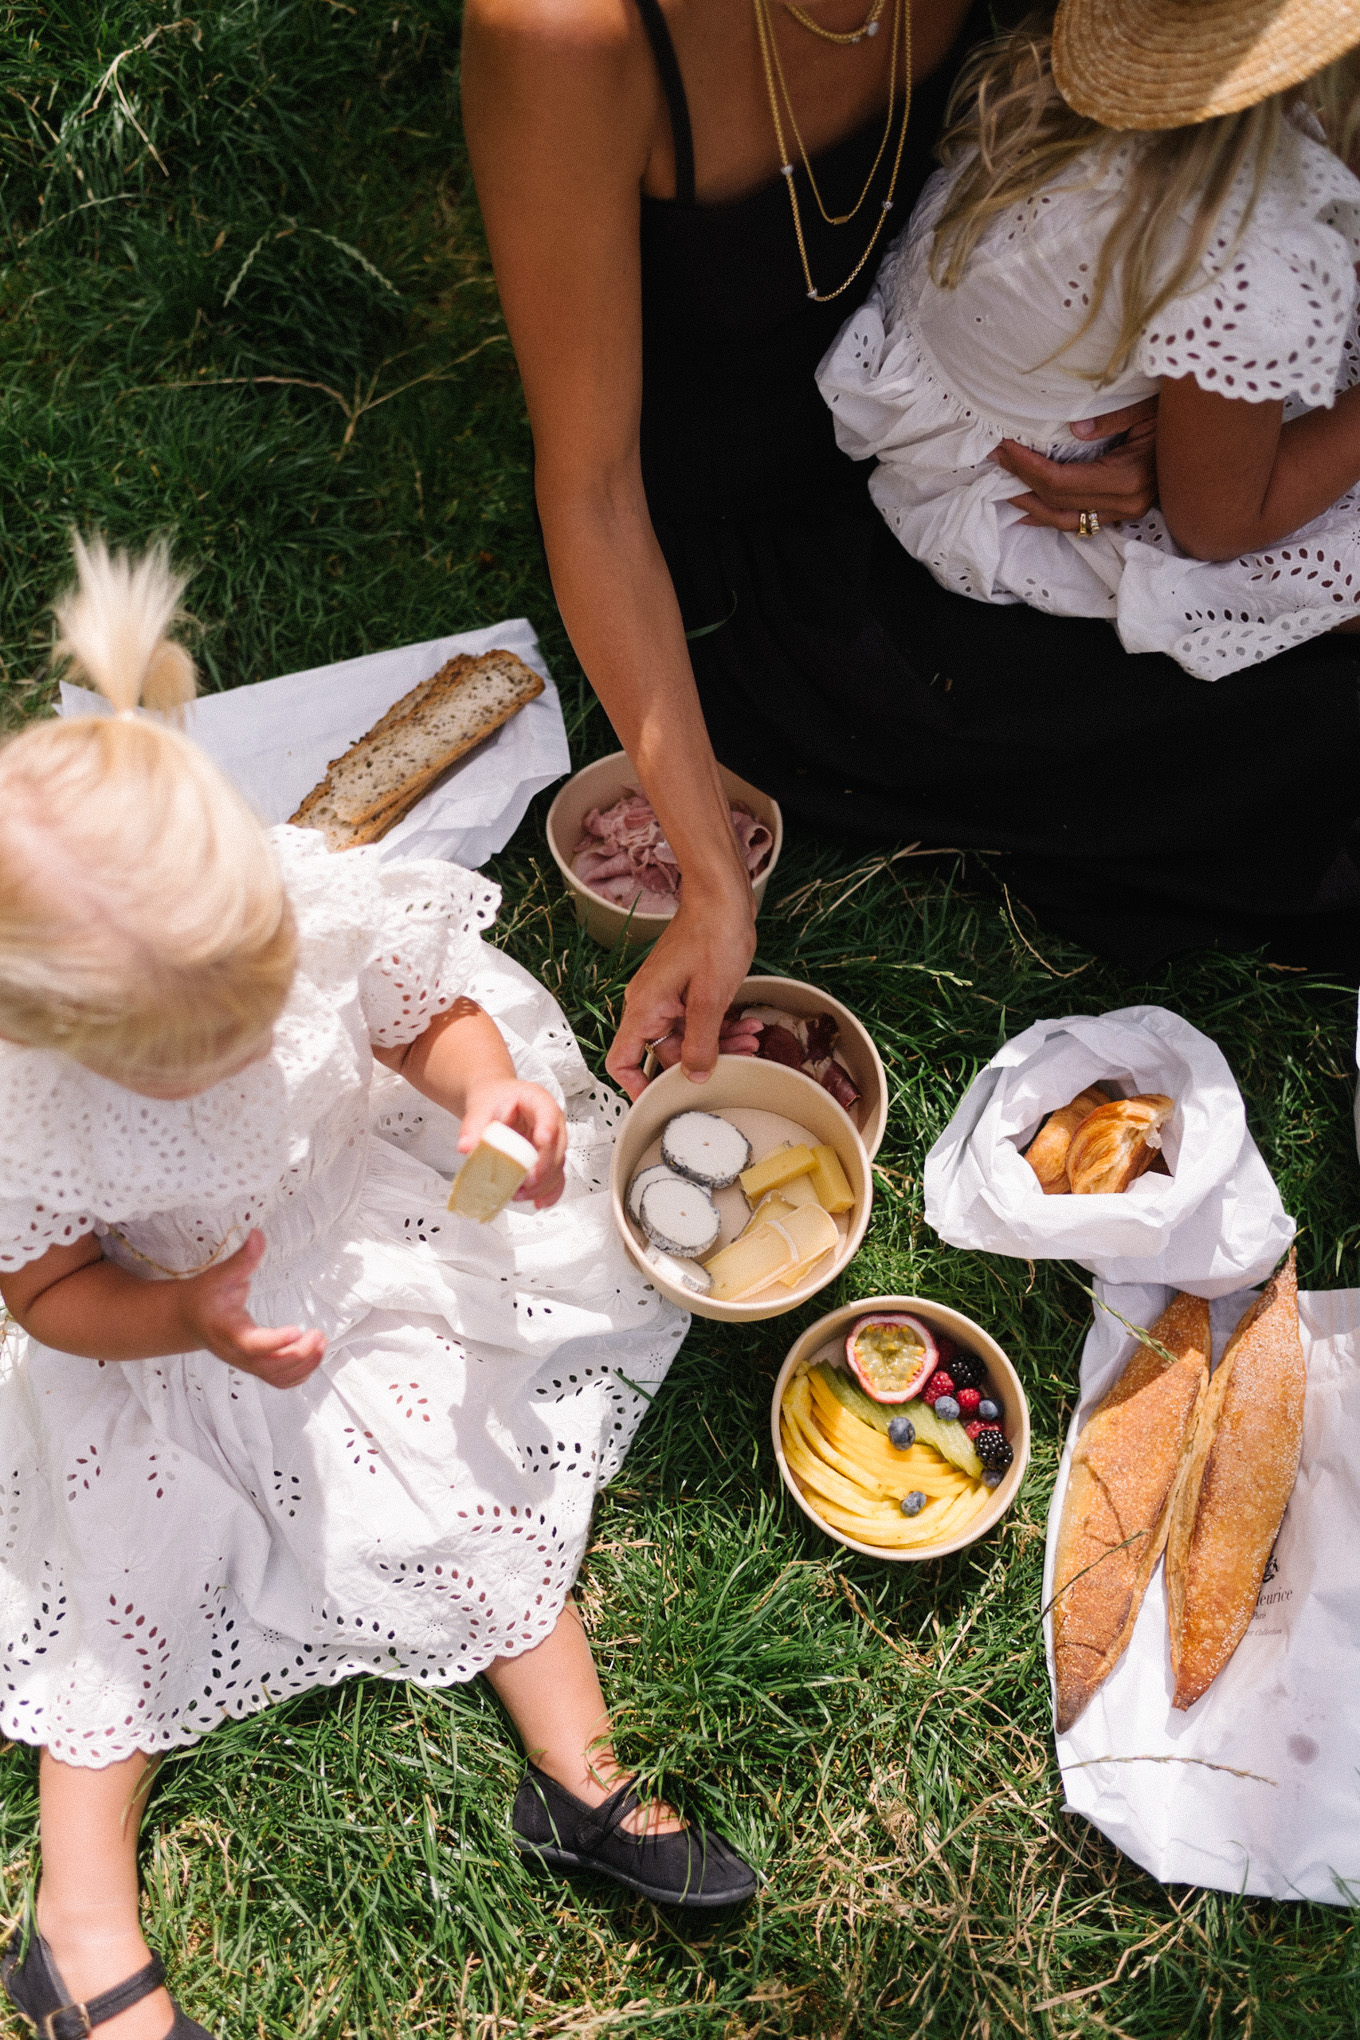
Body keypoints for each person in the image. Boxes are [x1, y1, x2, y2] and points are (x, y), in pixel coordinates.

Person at [0, 545, 755, 2040]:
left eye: (263, 1000)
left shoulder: (300, 905)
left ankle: (581, 1779)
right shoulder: (36, 1118)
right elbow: (47, 1298)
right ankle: (76, 1926)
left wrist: (483, 1103)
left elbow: (425, 1019)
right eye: (190, 1054)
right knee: (120, 1587)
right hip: (169, 1329)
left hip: (353, 1220)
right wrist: (182, 1321)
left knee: (465, 1466)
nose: (245, 1045)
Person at [463, 0, 1360, 1101]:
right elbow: (594, 489)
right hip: (785, 580)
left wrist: (1166, 425)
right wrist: (711, 880)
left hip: (1005, 445)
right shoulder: (567, 32)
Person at [816, 4, 1360, 681]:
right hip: (1031, 482)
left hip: (970, 369)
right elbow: (1220, 526)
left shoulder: (1104, 74)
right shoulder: (1241, 248)